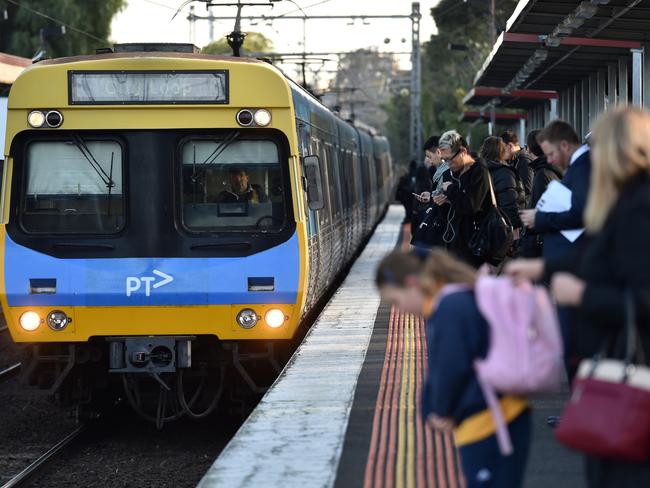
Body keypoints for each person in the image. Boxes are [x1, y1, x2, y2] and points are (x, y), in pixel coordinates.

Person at [505, 106, 650, 487]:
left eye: (599, 146)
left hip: (632, 374)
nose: (592, 155)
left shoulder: (639, 208)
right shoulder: (628, 202)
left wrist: (582, 292)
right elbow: (600, 257)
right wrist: (543, 270)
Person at [376, 249, 531, 488]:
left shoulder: (450, 308)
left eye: (396, 301)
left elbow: (451, 368)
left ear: (411, 283)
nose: (401, 309)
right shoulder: (454, 299)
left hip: (490, 422)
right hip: (496, 417)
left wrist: (440, 410)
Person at [519, 121, 591, 261]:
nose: (549, 160)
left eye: (551, 154)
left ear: (564, 145)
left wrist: (539, 218)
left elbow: (580, 215)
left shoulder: (581, 168)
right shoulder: (577, 167)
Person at [434, 130, 490, 267]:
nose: (447, 164)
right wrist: (442, 203)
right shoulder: (452, 174)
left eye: (449, 159)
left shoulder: (479, 170)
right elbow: (448, 215)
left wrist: (451, 190)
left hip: (474, 244)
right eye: (444, 160)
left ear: (463, 151)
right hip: (456, 243)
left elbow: (471, 205)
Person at [518, 130, 563, 258]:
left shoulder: (542, 174)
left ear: (531, 150)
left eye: (527, 147)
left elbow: (537, 211)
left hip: (540, 245)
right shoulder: (554, 170)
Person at [479, 136, 525, 234]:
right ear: (500, 151)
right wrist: (515, 227)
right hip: (503, 228)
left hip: (484, 227)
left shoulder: (479, 171)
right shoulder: (504, 173)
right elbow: (510, 203)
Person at [501, 130, 533, 197]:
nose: (500, 152)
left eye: (502, 149)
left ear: (510, 146)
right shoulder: (514, 160)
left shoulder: (524, 161)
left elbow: (527, 190)